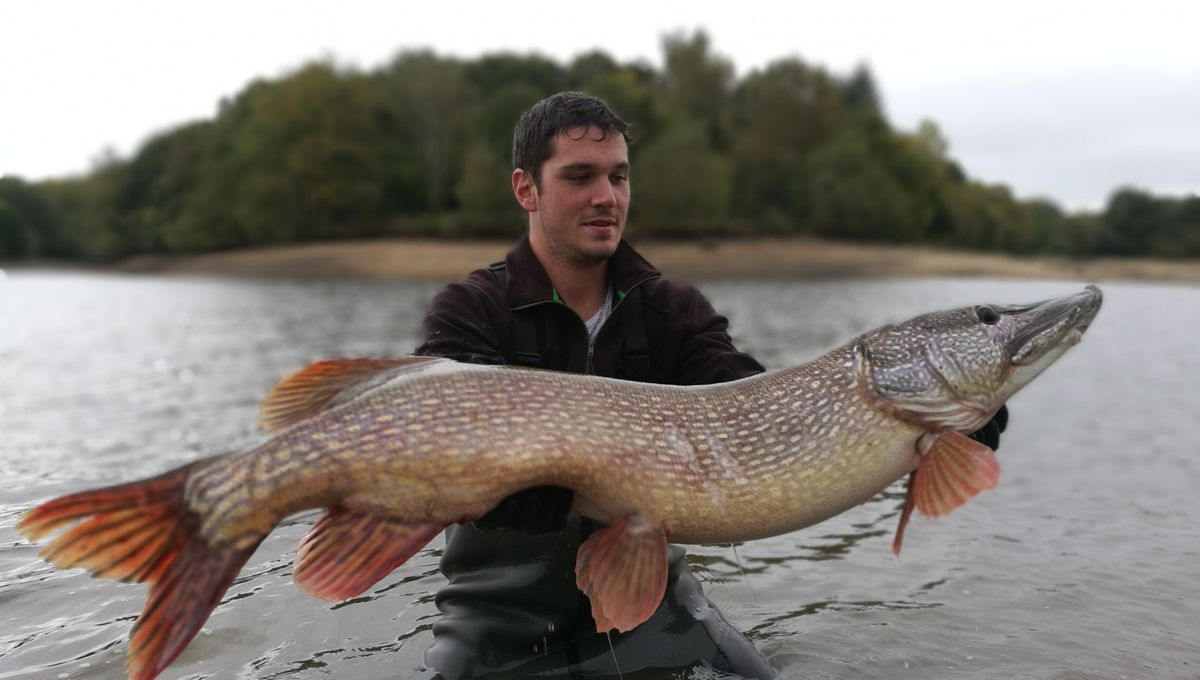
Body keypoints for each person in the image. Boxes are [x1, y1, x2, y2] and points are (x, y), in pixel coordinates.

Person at [414, 91, 1007, 679]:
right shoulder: (471, 308)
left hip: (656, 616)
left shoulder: (674, 311)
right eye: (579, 176)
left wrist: (933, 418)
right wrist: (503, 490)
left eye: (619, 176)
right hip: (498, 620)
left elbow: (754, 402)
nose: (606, 197)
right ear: (526, 188)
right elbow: (432, 448)